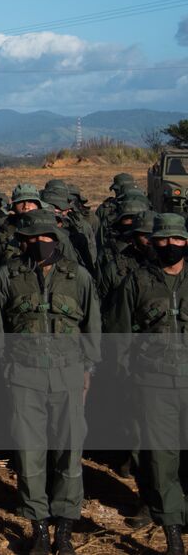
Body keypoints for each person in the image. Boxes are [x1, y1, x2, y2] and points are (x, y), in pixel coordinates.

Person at [0, 210, 100, 555]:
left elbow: (92, 326)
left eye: (46, 237)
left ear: (57, 238)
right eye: (32, 238)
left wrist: (87, 371)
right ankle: (38, 526)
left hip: (67, 375)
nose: (40, 244)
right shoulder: (7, 275)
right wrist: (6, 368)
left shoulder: (78, 276)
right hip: (24, 377)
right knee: (29, 453)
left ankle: (64, 527)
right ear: (23, 240)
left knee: (69, 451)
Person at [106, 213, 188, 555]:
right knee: (161, 458)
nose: (169, 246)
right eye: (162, 240)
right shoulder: (136, 282)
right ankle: (172, 535)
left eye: (176, 239)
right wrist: (127, 381)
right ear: (152, 243)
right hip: (153, 384)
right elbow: (118, 335)